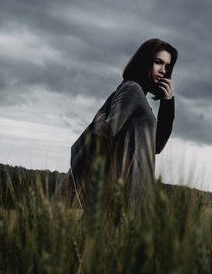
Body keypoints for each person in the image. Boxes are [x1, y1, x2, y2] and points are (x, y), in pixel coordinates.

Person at [56, 38, 177, 211]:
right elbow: (104, 134)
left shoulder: (140, 98)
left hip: (134, 194)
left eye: (167, 66)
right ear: (145, 61)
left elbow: (156, 146)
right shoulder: (132, 89)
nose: (163, 70)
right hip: (121, 195)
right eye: (158, 62)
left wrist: (168, 103)